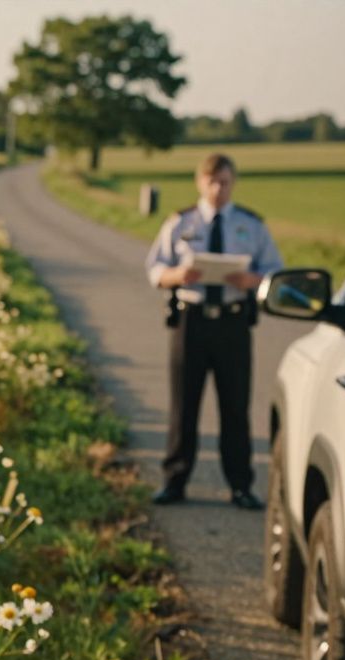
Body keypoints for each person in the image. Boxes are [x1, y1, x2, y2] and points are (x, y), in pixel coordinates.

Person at [145, 153, 283, 510]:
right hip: (191, 322)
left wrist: (251, 280)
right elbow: (155, 267)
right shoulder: (180, 222)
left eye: (224, 181)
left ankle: (240, 485)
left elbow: (274, 273)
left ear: (233, 182)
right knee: (184, 403)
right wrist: (178, 276)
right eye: (212, 182)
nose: (218, 189)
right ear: (200, 183)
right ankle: (175, 480)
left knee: (235, 406)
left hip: (233, 321)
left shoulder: (251, 225)